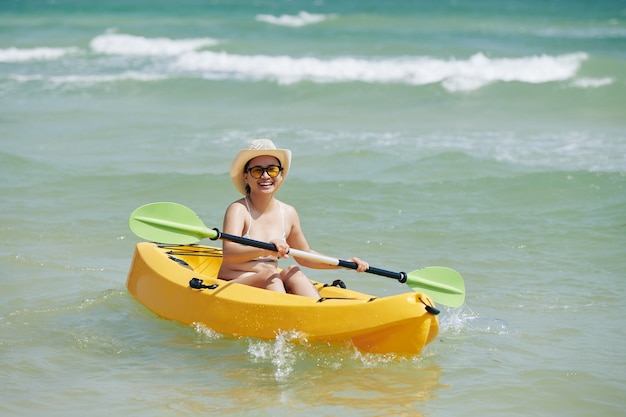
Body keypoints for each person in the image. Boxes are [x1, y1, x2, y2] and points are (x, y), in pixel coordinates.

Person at [218, 139, 369, 298]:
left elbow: (305, 256)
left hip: (269, 281)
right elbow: (230, 253)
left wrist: (344, 264)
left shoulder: (288, 213)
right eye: (257, 171)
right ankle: (286, 316)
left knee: (293, 271)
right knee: (271, 276)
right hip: (233, 284)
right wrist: (265, 248)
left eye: (272, 170)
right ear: (246, 176)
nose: (265, 176)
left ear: (281, 175)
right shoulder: (238, 210)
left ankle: (318, 312)